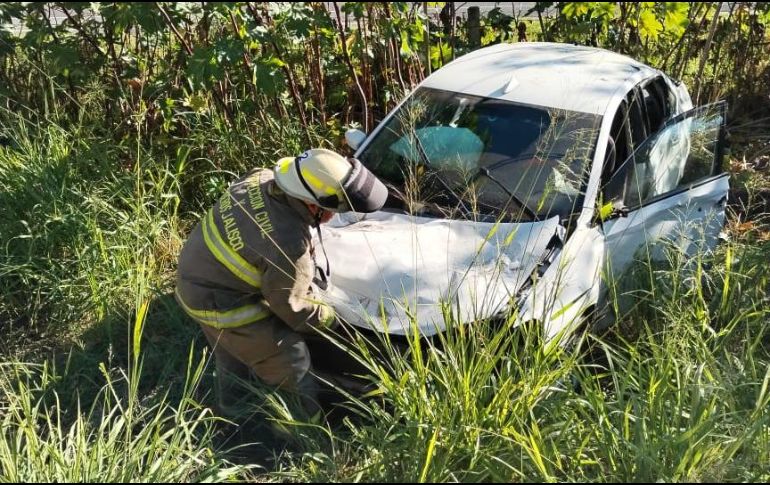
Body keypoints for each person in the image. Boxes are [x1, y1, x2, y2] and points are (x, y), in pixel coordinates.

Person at [175, 148, 388, 416]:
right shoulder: (287, 243)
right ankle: (300, 439)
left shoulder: (260, 178)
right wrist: (336, 323)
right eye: (333, 210)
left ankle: (232, 416)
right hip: (220, 302)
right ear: (312, 204)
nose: (334, 217)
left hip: (194, 279)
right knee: (291, 360)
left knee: (234, 355)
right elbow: (293, 307)